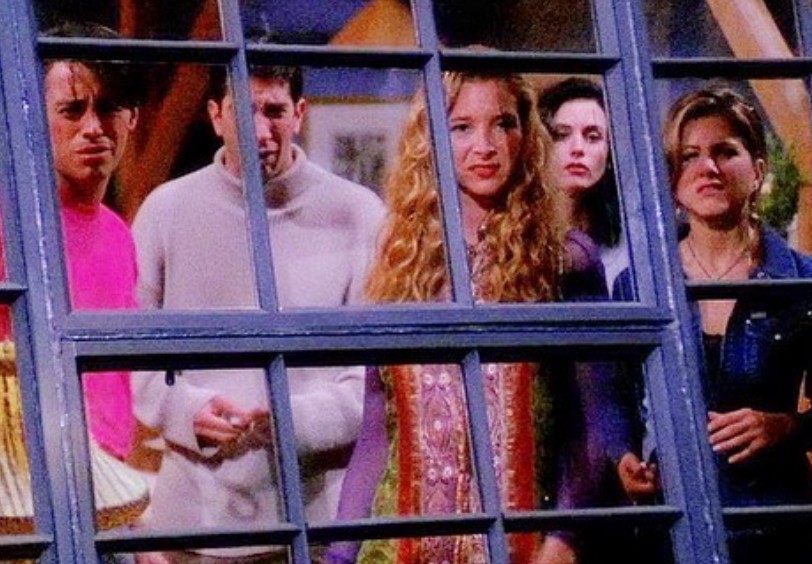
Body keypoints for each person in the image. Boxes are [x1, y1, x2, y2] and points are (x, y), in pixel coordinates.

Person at [328, 70, 629, 564]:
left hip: (519, 548)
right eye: (462, 127)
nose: (485, 147)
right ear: (432, 139)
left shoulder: (564, 260)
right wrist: (341, 555)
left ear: (526, 134)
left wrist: (564, 538)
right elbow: (377, 432)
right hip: (398, 551)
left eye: (503, 124)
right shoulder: (401, 260)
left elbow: (591, 424)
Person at [131, 62, 386, 562]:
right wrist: (185, 410)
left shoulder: (359, 214)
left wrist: (295, 418)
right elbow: (128, 355)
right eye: (242, 111)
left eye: (274, 111)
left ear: (300, 113)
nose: (260, 131)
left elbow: (376, 378)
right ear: (215, 116)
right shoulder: (165, 211)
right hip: (191, 527)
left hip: (314, 528)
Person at [661, 85, 812, 562]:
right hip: (672, 528)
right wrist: (626, 460)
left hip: (776, 529)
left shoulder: (800, 279)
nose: (707, 167)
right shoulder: (645, 283)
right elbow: (612, 407)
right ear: (672, 176)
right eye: (690, 155)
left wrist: (785, 426)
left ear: (758, 169)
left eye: (725, 151)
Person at [43, 21, 143, 462]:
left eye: (108, 108)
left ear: (132, 117)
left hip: (107, 475)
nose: (93, 128)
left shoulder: (119, 235)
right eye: (73, 110)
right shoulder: (11, 228)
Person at [537, 77, 627, 299]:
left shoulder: (628, 241)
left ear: (610, 152)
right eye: (561, 135)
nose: (578, 149)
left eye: (592, 137)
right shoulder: (515, 231)